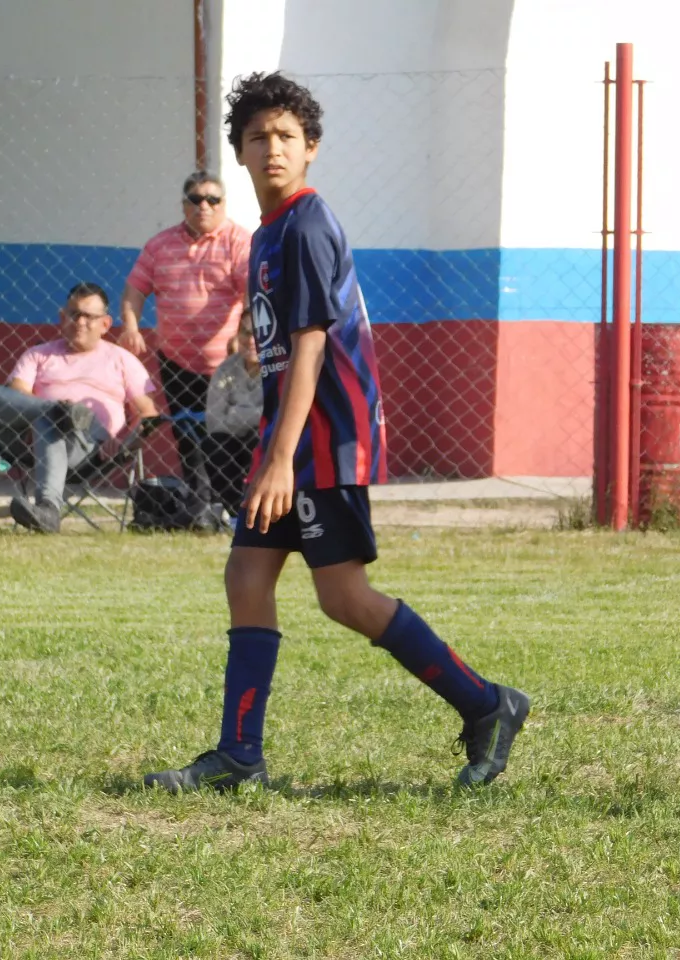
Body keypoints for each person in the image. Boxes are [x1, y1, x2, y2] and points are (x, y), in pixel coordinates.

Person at [144, 72, 530, 793]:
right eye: (258, 137)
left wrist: (280, 457)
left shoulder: (308, 225)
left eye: (287, 136)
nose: (273, 148)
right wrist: (275, 448)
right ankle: (239, 756)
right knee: (246, 576)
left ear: (311, 146)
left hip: (324, 444)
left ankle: (487, 704)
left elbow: (312, 345)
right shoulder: (267, 234)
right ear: (239, 151)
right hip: (289, 442)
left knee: (344, 598)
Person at [0, 282, 160, 534]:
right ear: (63, 317)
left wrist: (125, 442)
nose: (80, 322)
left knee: (47, 420)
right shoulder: (38, 355)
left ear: (105, 324)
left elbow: (148, 414)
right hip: (32, 439)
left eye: (89, 316)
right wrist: (57, 410)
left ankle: (49, 508)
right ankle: (58, 411)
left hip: (91, 446)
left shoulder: (122, 360)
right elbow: (17, 392)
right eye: (74, 314)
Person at [121, 171, 251, 519]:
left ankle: (230, 505)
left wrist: (241, 335)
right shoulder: (160, 245)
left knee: (226, 433)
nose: (203, 206)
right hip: (175, 360)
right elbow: (135, 289)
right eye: (195, 199)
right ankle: (199, 507)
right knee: (187, 434)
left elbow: (252, 291)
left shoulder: (239, 242)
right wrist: (131, 326)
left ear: (224, 204)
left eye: (212, 199)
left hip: (226, 365)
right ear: (184, 205)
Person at [204, 314, 262, 519]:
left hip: (262, 437)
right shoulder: (226, 368)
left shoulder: (279, 368)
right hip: (230, 438)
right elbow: (214, 421)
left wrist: (235, 412)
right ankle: (235, 514)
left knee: (256, 439)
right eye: (245, 333)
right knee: (214, 445)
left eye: (258, 333)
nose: (251, 340)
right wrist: (255, 414)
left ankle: (259, 510)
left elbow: (276, 416)